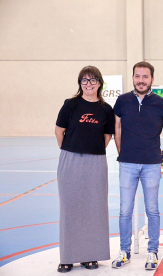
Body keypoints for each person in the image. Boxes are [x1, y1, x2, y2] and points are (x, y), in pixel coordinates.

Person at [111, 61, 163, 270]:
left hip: (151, 164)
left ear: (152, 79)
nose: (141, 80)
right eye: (137, 76)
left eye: (145, 76)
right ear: (133, 78)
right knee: (125, 211)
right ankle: (124, 251)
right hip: (127, 164)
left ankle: (153, 252)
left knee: (152, 210)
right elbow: (117, 128)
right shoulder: (122, 101)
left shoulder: (161, 103)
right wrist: (123, 153)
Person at [55, 66, 114, 272]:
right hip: (70, 161)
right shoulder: (70, 105)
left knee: (94, 208)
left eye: (93, 80)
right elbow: (59, 130)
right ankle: (67, 257)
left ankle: (91, 255)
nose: (89, 84)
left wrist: (92, 151)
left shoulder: (106, 109)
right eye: (84, 81)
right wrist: (71, 151)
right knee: (70, 208)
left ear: (100, 83)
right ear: (80, 84)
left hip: (96, 162)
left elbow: (107, 136)